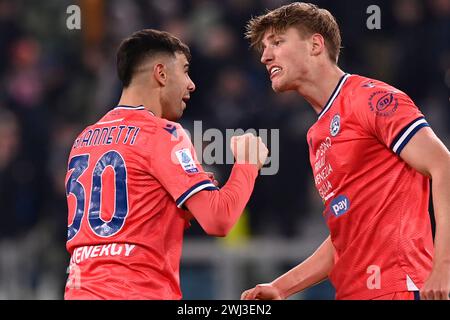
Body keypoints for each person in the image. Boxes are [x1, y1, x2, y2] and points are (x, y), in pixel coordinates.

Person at [241, 2, 450, 300]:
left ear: (315, 45)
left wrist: (443, 265)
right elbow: (345, 236)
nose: (265, 56)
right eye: (264, 47)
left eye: (277, 42)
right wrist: (280, 287)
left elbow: (444, 166)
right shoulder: (316, 135)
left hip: (397, 288)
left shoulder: (373, 99)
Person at [64, 29, 268, 300]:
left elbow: (124, 219)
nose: (191, 84)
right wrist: (247, 164)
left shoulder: (85, 138)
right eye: (184, 71)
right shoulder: (163, 133)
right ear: (161, 73)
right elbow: (219, 220)